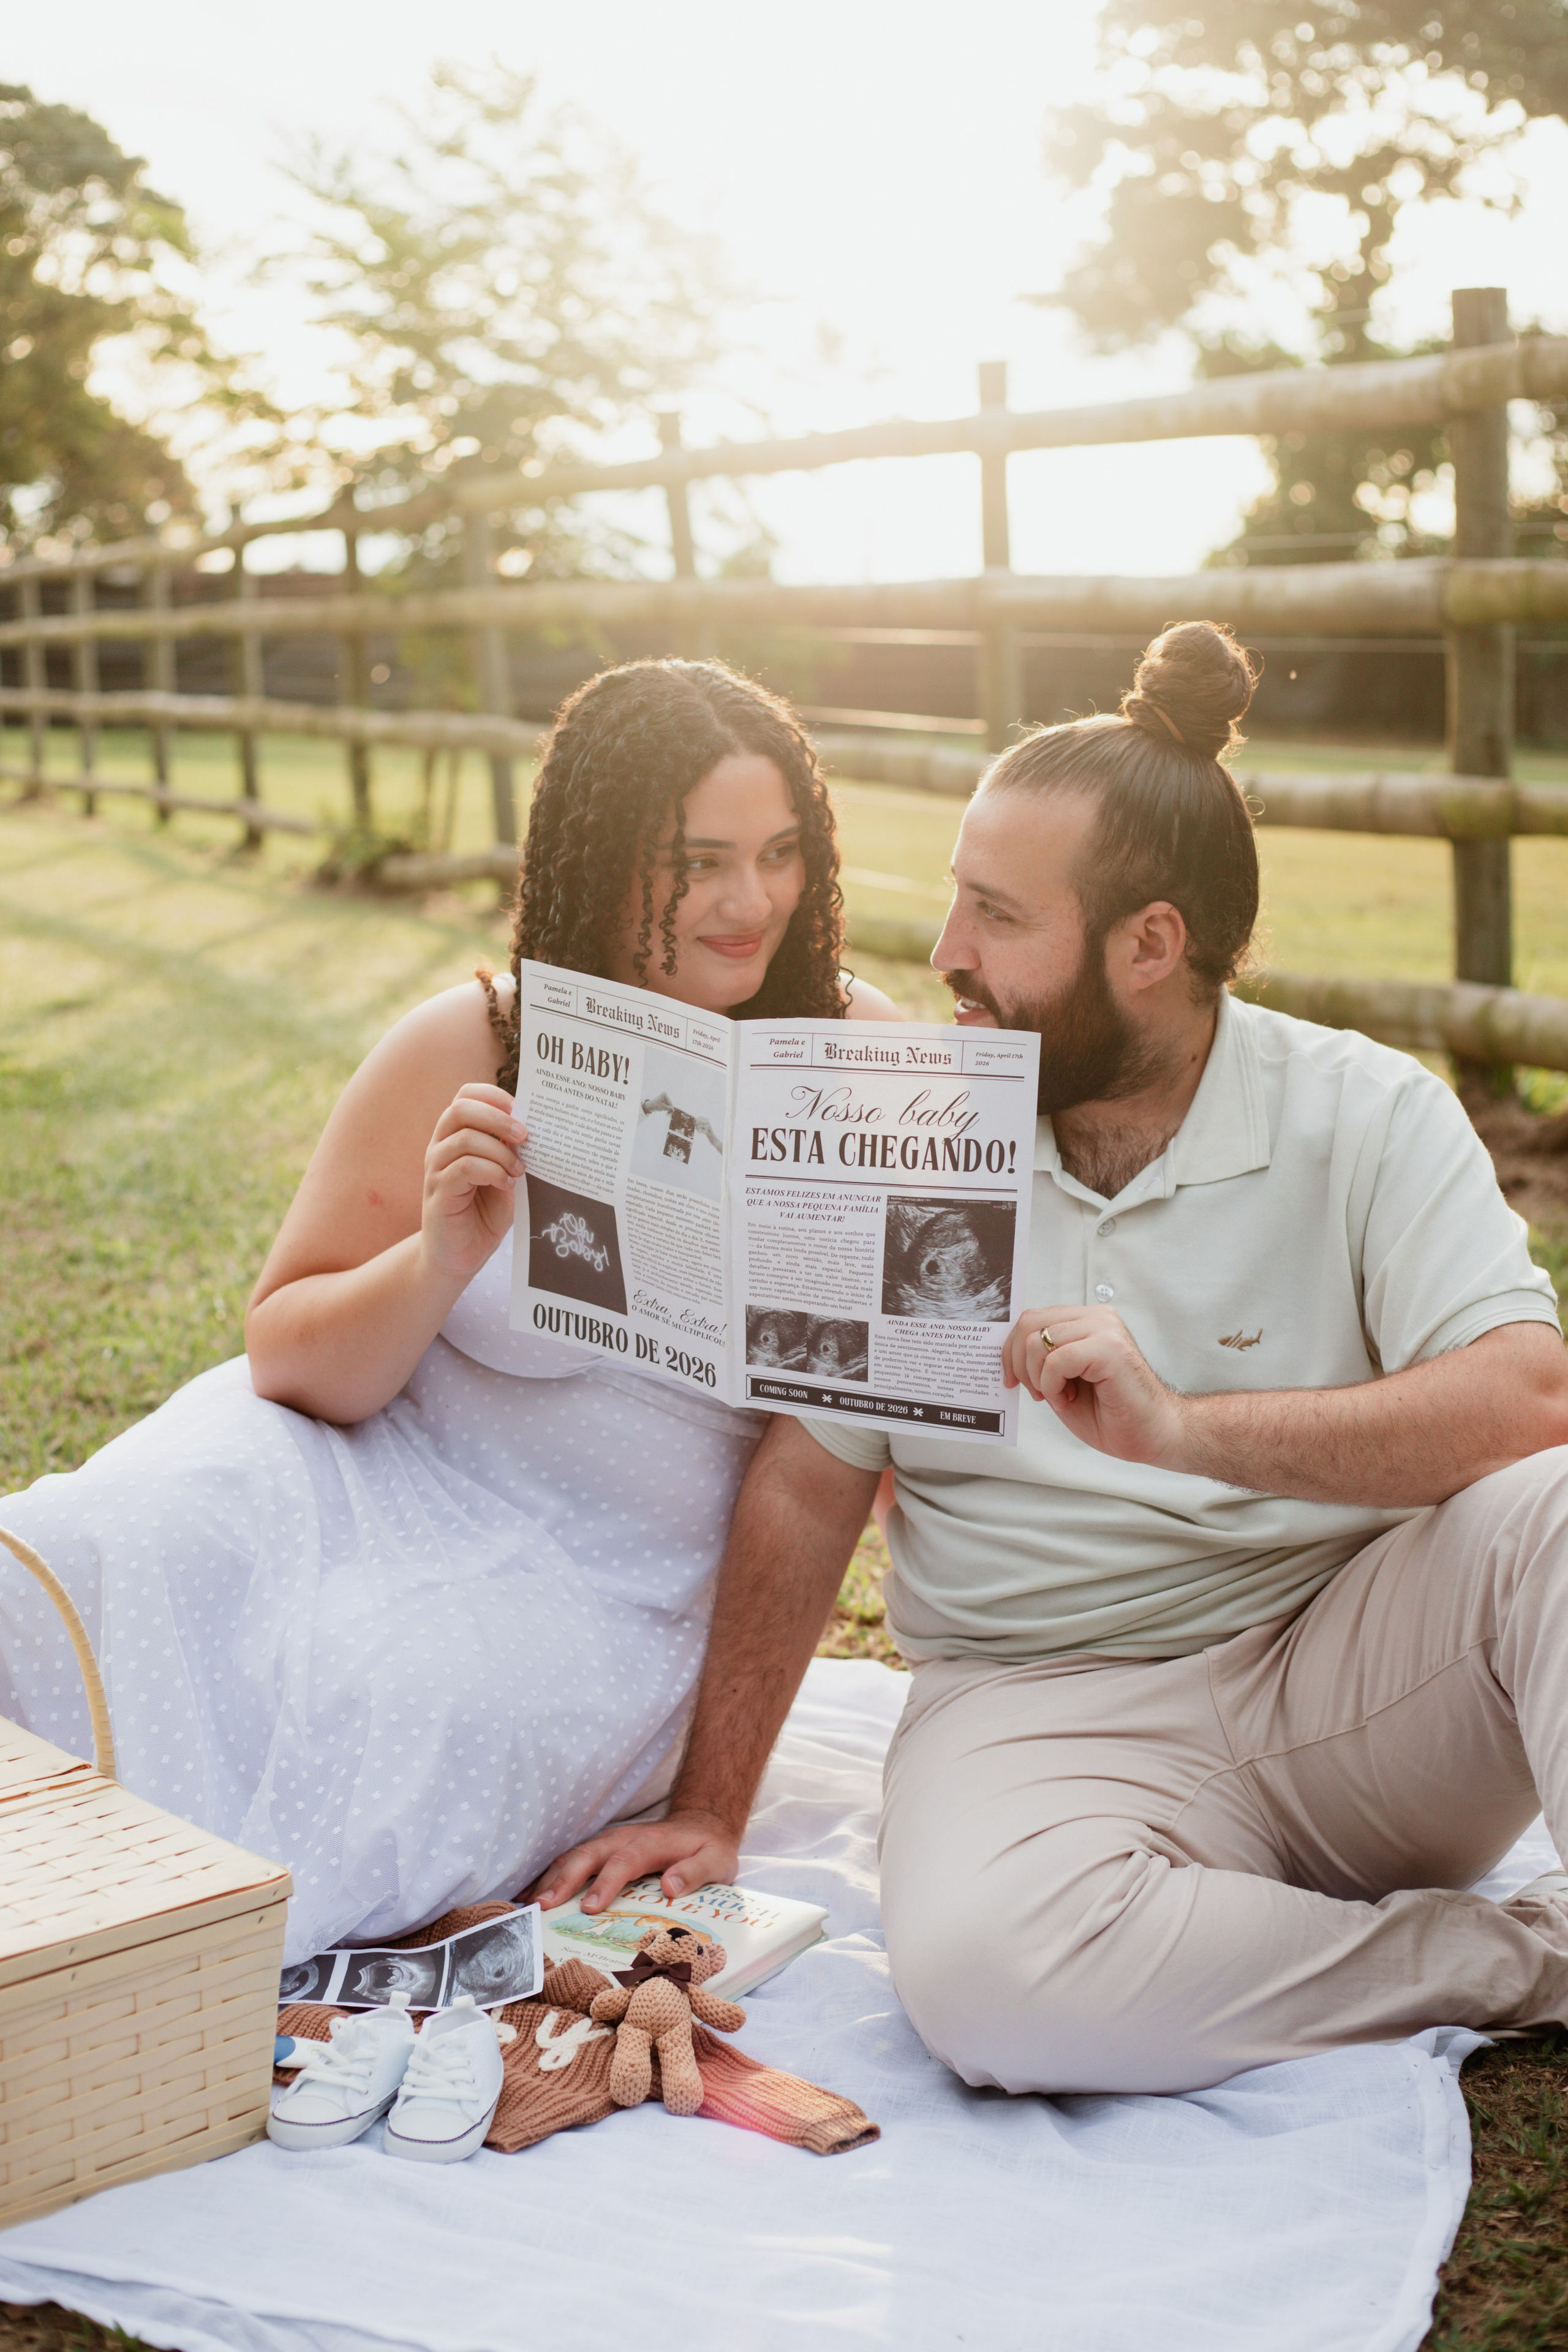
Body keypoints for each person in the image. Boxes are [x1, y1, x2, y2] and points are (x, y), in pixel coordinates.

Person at [536, 621, 1568, 2094]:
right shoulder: (909, 1137)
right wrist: (711, 1808)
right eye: (955, 899)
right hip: (1037, 1705)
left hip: (1354, 1683)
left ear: (1149, 946)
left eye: (995, 916)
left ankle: (1255, 1935)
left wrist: (1186, 1431)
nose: (945, 952)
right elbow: (806, 1486)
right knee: (986, 1991)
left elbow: (1527, 1403)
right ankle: (1516, 1959)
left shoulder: (1364, 1111)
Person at [0, 658, 899, 1963]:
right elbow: (288, 1359)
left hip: (620, 1575)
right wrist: (433, 1260)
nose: (748, 902)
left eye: (778, 855)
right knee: (88, 1539)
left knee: (404, 1701)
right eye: (696, 862)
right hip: (367, 1467)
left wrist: (713, 1796)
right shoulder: (472, 1041)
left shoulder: (853, 1070)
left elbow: (829, 1470)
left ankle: (137, 1951)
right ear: (597, 861)